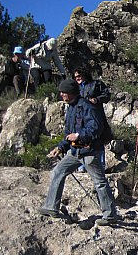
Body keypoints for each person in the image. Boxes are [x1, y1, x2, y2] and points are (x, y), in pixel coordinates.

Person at [38, 78, 119, 226]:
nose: (61, 95)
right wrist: (60, 147)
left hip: (90, 151)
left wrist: (80, 135)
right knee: (57, 171)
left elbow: (96, 128)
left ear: (72, 93)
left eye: (64, 92)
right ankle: (51, 207)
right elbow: (68, 133)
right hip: (75, 151)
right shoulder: (70, 108)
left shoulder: (88, 107)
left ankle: (110, 214)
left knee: (99, 182)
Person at [74, 67, 112, 172]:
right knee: (81, 138)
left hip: (96, 116)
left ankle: (101, 165)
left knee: (98, 139)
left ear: (84, 74)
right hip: (81, 118)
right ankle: (81, 166)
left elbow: (107, 95)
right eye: (75, 76)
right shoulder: (76, 88)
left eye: (79, 75)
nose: (77, 78)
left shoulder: (96, 84)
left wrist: (97, 99)